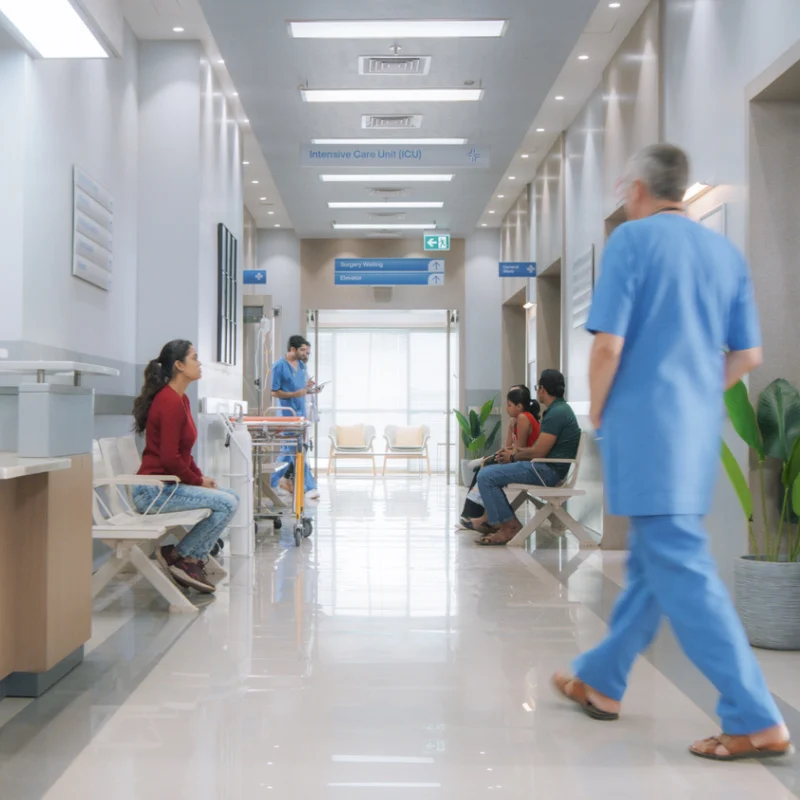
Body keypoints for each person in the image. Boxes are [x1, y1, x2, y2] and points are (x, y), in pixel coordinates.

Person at [552, 143, 791, 761]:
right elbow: (748, 355)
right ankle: (601, 680)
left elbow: (608, 346)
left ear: (637, 189)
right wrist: (697, 391)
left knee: (679, 564)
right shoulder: (724, 253)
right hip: (694, 430)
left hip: (645, 427)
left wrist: (601, 407)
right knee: (656, 560)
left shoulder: (632, 242)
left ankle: (755, 717)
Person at [132, 340, 239, 594]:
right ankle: (184, 557)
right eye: (194, 358)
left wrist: (200, 477)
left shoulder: (182, 399)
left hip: (168, 487)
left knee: (232, 497)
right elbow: (170, 458)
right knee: (227, 503)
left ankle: (183, 557)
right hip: (153, 492)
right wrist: (197, 481)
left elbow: (183, 453)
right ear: (179, 365)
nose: (200, 363)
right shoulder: (168, 401)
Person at [474, 370, 580, 545]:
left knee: (486, 476)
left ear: (542, 389)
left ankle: (509, 526)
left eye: (537, 388)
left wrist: (513, 456)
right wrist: (513, 454)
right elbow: (538, 449)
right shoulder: (558, 410)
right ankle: (502, 522)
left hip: (547, 471)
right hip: (545, 467)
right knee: (488, 472)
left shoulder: (557, 413)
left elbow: (539, 452)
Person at [460, 386, 541, 531]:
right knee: (483, 468)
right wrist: (510, 429)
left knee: (484, 470)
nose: (506, 408)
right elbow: (509, 446)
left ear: (519, 406)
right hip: (519, 460)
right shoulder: (515, 420)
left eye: (509, 405)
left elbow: (518, 450)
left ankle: (475, 515)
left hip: (527, 464)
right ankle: (477, 515)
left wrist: (503, 453)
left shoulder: (524, 418)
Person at [271, 334, 319, 498]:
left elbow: (300, 387)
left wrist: (309, 388)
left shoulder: (301, 365)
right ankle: (309, 487)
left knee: (288, 451)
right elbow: (274, 392)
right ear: (292, 349)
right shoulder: (279, 366)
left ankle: (273, 483)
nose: (305, 354)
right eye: (303, 350)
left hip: (301, 413)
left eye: (307, 351)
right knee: (297, 451)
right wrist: (294, 394)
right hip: (288, 414)